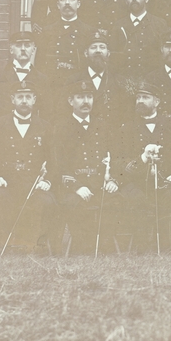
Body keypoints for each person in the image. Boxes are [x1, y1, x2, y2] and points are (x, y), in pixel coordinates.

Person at [0, 83, 53, 254]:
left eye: (28, 97)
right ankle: (4, 246)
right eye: (20, 97)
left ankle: (35, 247)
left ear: (34, 100)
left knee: (45, 201)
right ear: (13, 100)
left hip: (33, 184)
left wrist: (47, 180)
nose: (24, 101)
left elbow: (54, 160)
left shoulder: (45, 127)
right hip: (6, 183)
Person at [48, 79, 118, 255]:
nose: (86, 101)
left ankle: (105, 246)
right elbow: (58, 164)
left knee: (115, 200)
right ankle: (82, 248)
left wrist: (113, 179)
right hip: (71, 186)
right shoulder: (60, 128)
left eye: (89, 97)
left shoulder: (103, 125)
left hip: (98, 183)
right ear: (71, 101)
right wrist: (77, 186)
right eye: (80, 97)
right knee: (75, 204)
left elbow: (115, 156)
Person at [115, 81, 171, 253]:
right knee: (136, 198)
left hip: (165, 180)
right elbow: (121, 162)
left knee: (170, 195)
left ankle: (165, 244)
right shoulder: (126, 129)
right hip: (135, 181)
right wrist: (143, 158)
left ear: (157, 102)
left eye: (145, 97)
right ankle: (141, 244)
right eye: (138, 98)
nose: (140, 101)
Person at [0, 31, 51, 128]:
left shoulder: (42, 79)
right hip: (3, 136)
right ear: (11, 49)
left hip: (31, 136)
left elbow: (48, 112)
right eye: (18, 45)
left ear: (33, 49)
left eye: (27, 45)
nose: (23, 49)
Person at [64, 29, 125, 129]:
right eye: (93, 47)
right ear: (86, 53)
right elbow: (64, 112)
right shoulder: (73, 80)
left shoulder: (118, 81)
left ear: (108, 53)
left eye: (102, 47)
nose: (98, 51)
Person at [114, 0, 169, 82]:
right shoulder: (118, 25)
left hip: (151, 79)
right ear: (126, 0)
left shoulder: (159, 24)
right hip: (125, 79)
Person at [35, 0, 87, 77]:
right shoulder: (47, 31)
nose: (67, 3)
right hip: (53, 82)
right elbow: (40, 62)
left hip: (78, 83)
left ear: (78, 4)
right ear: (58, 5)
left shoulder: (87, 31)